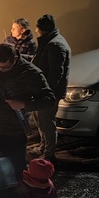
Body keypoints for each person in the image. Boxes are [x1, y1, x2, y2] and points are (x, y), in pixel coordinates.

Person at [0, 43, 55, 182]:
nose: (1, 70)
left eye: (5, 67)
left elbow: (49, 99)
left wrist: (23, 104)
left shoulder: (31, 73)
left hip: (14, 132)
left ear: (15, 59)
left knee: (16, 174)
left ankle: (14, 194)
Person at [30, 14, 71, 163]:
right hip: (41, 91)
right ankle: (43, 146)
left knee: (47, 122)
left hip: (48, 93)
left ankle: (49, 154)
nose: (35, 30)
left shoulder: (55, 45)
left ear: (42, 29)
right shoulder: (49, 42)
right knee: (40, 119)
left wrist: (46, 93)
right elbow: (38, 61)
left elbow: (56, 74)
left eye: (37, 28)